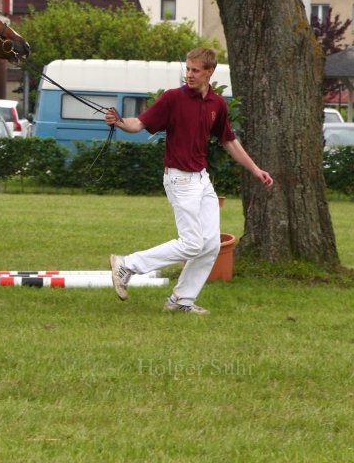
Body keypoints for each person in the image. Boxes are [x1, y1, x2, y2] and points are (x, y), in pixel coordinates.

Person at [105, 47, 274, 314]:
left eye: (195, 70)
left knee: (211, 245)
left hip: (202, 180)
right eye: (188, 69)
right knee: (193, 243)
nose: (190, 75)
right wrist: (119, 122)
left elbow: (228, 140)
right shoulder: (172, 99)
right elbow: (138, 124)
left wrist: (255, 169)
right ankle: (127, 264)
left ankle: (181, 301)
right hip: (178, 179)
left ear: (210, 72)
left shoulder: (217, 104)